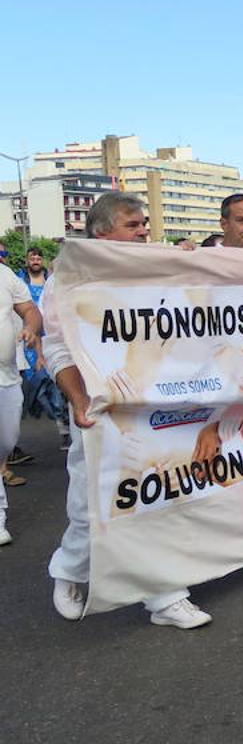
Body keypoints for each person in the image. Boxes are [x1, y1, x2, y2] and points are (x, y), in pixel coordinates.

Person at [44, 192, 211, 627]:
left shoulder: (157, 270)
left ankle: (165, 598)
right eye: (132, 225)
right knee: (90, 501)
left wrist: (192, 265)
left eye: (143, 224)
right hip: (100, 409)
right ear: (102, 233)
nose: (143, 231)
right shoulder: (69, 280)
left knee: (158, 496)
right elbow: (58, 349)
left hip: (158, 406)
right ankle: (71, 567)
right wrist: (79, 401)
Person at [0, 261, 43, 546]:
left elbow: (30, 310)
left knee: (6, 440)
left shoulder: (5, 275)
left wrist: (30, 328)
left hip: (6, 376)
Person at [18, 247, 71, 453]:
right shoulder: (20, 281)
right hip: (30, 342)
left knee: (57, 389)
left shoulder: (52, 281)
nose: (36, 260)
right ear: (27, 260)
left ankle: (64, 429)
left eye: (39, 257)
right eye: (33, 257)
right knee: (36, 391)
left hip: (54, 343)